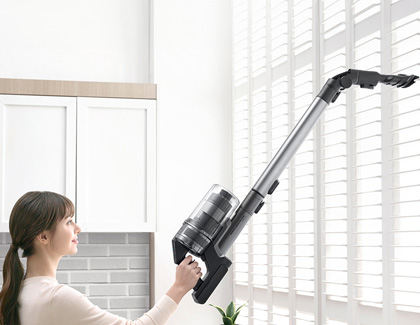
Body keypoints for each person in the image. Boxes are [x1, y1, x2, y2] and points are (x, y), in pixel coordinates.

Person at [0, 191, 202, 325]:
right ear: (43, 236)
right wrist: (179, 287)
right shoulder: (56, 297)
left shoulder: (21, 291)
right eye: (69, 222)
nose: (78, 228)